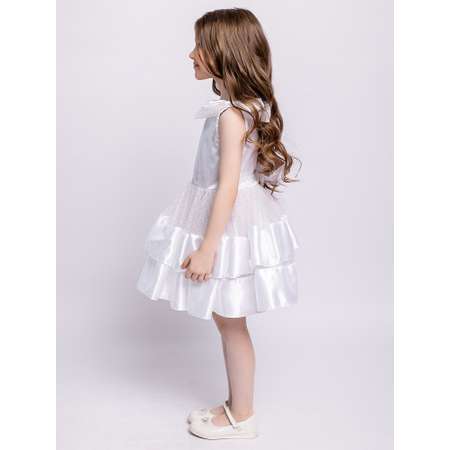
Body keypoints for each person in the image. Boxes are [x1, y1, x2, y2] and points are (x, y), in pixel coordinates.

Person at [137, 7, 301, 440]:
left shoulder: (231, 115)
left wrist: (208, 249)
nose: (190, 54)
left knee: (230, 321)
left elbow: (227, 186)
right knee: (228, 319)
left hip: (227, 226)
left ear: (225, 53)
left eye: (200, 47)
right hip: (231, 220)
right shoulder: (243, 108)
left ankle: (243, 416)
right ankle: (235, 405)